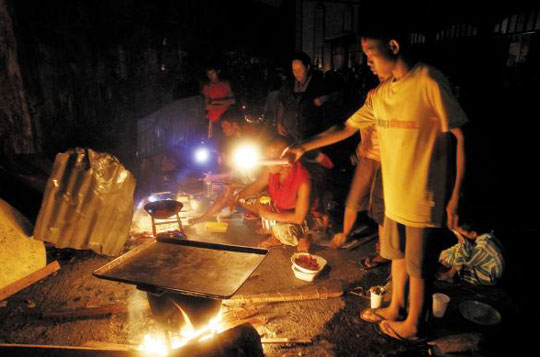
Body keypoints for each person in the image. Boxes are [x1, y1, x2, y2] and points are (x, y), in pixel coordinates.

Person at [286, 23, 468, 343]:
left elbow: (461, 135)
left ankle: (415, 324)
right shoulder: (381, 94)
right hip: (395, 193)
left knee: (419, 266)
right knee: (396, 255)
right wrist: (304, 146)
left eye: (371, 52)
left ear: (394, 46)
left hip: (423, 195)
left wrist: (456, 195)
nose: (366, 61)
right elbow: (345, 127)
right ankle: (396, 307)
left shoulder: (428, 81)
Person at [234, 139, 324, 252]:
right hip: (280, 213)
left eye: (271, 159)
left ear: (285, 161)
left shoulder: (303, 181)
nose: (266, 162)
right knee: (248, 202)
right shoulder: (271, 171)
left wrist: (269, 215)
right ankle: (273, 228)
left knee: (283, 231)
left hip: (306, 219)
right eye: (266, 157)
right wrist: (235, 197)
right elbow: (256, 186)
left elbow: (299, 218)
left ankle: (305, 236)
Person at [437, 224, 504, 286]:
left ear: (473, 234)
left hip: (488, 275)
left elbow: (466, 258)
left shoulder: (484, 245)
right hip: (478, 261)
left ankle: (450, 276)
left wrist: (450, 273)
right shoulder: (482, 238)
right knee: (458, 251)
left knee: (462, 255)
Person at [202, 65, 235, 138]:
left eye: (213, 73)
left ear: (217, 72)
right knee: (214, 140)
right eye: (209, 74)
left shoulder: (225, 84)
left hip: (227, 117)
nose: (211, 76)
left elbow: (232, 101)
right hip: (214, 120)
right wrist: (225, 104)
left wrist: (215, 102)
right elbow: (207, 106)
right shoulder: (207, 87)